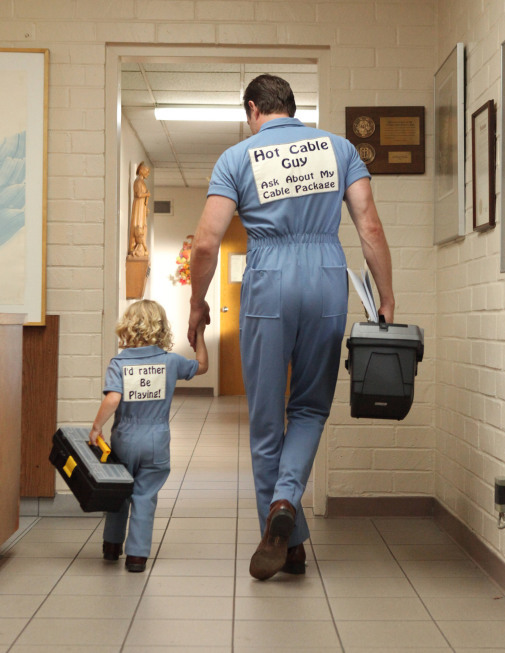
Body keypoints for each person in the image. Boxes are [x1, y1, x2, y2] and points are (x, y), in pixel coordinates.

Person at [188, 74, 394, 581]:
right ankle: (289, 518)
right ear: (293, 108)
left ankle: (281, 529)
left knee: (265, 418)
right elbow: (369, 227)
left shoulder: (237, 158)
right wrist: (386, 298)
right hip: (326, 273)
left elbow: (207, 243)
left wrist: (197, 303)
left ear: (253, 109)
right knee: (308, 407)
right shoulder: (339, 148)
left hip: (268, 277)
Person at [90, 299, 208, 572]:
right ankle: (137, 557)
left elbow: (113, 398)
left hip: (125, 437)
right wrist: (199, 334)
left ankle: (111, 546)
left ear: (127, 328)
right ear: (161, 328)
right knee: (145, 496)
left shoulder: (119, 363)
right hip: (157, 438)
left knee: (118, 492)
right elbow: (201, 366)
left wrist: (97, 427)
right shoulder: (171, 361)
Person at [128, 162, 151, 257]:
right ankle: (135, 246)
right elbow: (138, 194)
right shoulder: (138, 181)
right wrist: (147, 194)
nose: (148, 174)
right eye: (147, 171)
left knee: (142, 225)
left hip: (142, 205)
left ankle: (141, 246)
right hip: (138, 205)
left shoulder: (141, 182)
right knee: (138, 224)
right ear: (141, 170)